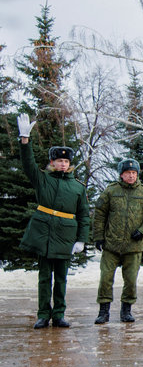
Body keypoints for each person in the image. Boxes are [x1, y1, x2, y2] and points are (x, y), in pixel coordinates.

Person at [16, 113, 90, 329]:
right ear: (53, 162)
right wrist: (24, 140)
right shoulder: (43, 179)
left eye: (66, 161)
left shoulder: (78, 187)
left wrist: (81, 240)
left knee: (61, 279)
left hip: (66, 235)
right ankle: (42, 314)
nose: (63, 164)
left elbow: (84, 215)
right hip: (45, 233)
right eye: (59, 160)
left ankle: (59, 314)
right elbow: (28, 164)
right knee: (43, 277)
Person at [93, 158, 143, 324]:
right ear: (121, 175)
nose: (131, 176)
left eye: (134, 173)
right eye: (128, 173)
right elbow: (100, 214)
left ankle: (126, 310)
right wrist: (99, 237)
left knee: (130, 280)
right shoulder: (111, 191)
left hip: (133, 245)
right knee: (106, 278)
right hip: (111, 244)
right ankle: (103, 311)